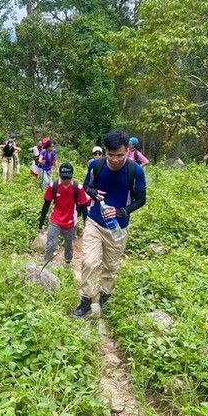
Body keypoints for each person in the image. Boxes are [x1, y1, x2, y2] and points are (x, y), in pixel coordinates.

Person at [74, 130, 147, 318]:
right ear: (106, 151)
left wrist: (121, 211)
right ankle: (86, 300)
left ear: (127, 151)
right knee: (89, 261)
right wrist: (93, 193)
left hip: (118, 227)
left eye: (120, 155)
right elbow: (86, 186)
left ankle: (105, 298)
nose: (115, 159)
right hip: (95, 221)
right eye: (111, 155)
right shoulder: (96, 166)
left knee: (110, 267)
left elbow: (141, 200)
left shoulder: (135, 170)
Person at [38, 163, 90, 266]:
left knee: (68, 245)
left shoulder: (77, 188)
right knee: (51, 244)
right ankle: (46, 263)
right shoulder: (54, 186)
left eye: (68, 178)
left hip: (70, 221)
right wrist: (41, 224)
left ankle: (67, 262)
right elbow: (46, 205)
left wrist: (85, 223)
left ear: (72, 176)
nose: (66, 180)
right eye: (63, 178)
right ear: (59, 175)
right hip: (55, 220)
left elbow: (84, 206)